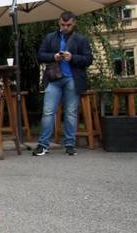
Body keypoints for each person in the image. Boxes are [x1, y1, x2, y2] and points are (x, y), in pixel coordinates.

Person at [33, 11, 93, 156]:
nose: (65, 27)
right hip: (54, 79)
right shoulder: (50, 37)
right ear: (59, 23)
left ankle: (70, 145)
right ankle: (43, 145)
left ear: (74, 23)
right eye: (62, 24)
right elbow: (40, 55)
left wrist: (72, 57)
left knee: (71, 113)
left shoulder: (81, 39)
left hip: (72, 78)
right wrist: (54, 56)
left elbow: (89, 59)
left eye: (68, 25)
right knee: (48, 112)